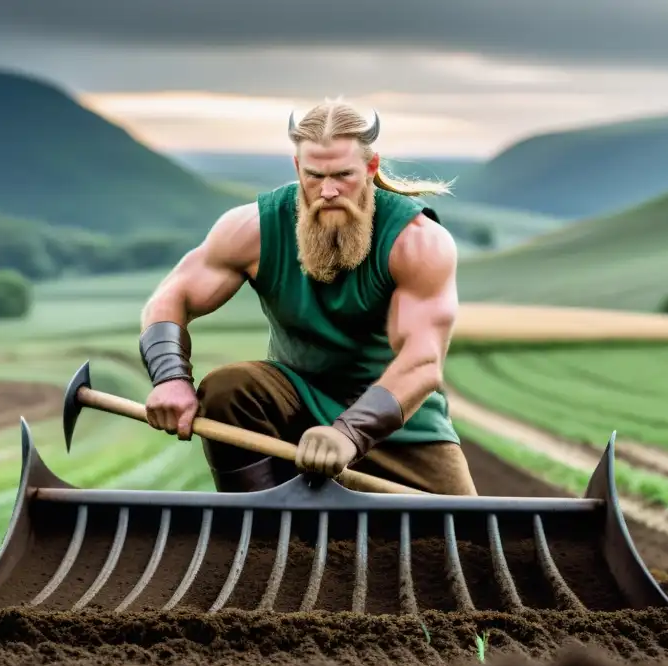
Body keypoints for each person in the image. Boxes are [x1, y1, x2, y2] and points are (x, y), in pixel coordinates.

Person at [137, 99, 477, 496]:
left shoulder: (416, 241)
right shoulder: (252, 229)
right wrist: (171, 379)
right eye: (315, 175)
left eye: (343, 175)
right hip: (292, 403)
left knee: (467, 539)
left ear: (370, 167)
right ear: (298, 168)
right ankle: (258, 535)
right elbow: (170, 297)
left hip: (396, 421)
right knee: (229, 388)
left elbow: (422, 362)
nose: (328, 191)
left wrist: (349, 433)